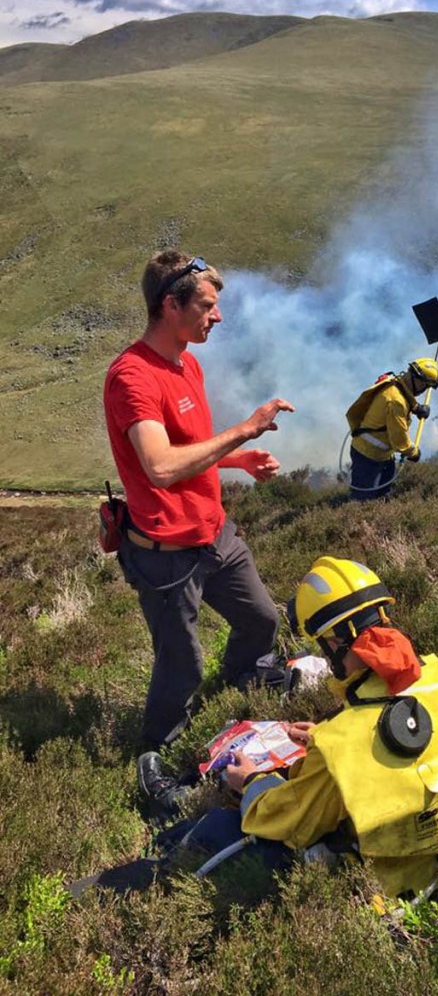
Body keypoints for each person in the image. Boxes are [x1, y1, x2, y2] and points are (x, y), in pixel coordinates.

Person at [97, 557, 438, 902]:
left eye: (322, 644)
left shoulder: (342, 745)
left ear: (334, 642)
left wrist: (251, 781)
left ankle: (147, 853)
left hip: (395, 883)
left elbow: (289, 822)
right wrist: (324, 738)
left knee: (222, 827)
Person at [103, 250, 295, 808]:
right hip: (166, 552)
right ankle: (155, 762)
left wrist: (237, 462)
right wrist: (243, 430)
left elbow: (186, 449)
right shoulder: (131, 376)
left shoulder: (188, 361)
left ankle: (244, 677)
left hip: (216, 534)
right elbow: (160, 467)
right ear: (171, 304)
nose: (217, 317)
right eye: (207, 306)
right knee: (180, 662)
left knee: (261, 619)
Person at [345, 357, 438, 500]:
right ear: (417, 380)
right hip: (368, 454)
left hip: (382, 454)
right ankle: (358, 520)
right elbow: (399, 440)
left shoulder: (395, 382)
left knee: (383, 493)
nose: (424, 390)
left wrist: (416, 408)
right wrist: (413, 453)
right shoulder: (396, 402)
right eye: (425, 386)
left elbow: (404, 394)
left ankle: (381, 517)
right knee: (363, 498)